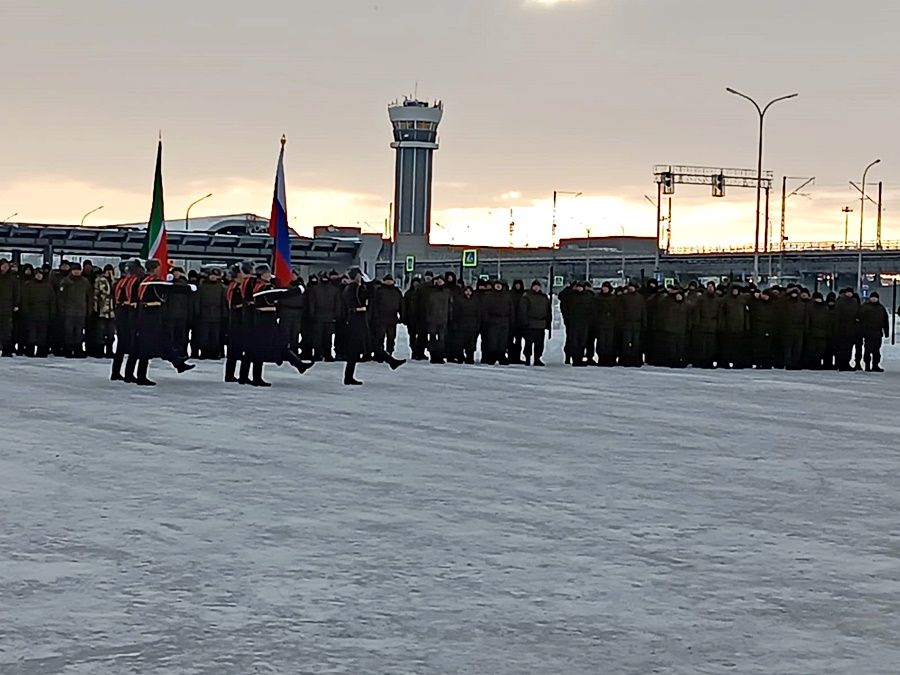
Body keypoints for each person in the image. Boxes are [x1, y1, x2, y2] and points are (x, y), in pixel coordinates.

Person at [243, 264, 314, 386]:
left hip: (264, 319)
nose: (269, 275)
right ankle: (256, 378)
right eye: (267, 273)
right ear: (262, 274)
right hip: (265, 320)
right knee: (262, 348)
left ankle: (298, 364)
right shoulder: (263, 287)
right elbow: (280, 294)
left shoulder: (257, 285)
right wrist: (298, 290)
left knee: (273, 345)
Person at [131, 259, 195, 386]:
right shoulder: (153, 282)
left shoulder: (143, 280)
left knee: (164, 341)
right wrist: (189, 287)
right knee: (147, 346)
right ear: (155, 268)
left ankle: (178, 363)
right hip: (151, 316)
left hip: (146, 314)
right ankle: (141, 376)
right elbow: (171, 289)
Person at [341, 267, 405, 385]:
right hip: (357, 319)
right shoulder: (354, 288)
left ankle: (391, 362)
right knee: (359, 348)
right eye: (360, 275)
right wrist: (369, 283)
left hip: (357, 318)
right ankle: (348, 377)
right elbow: (367, 296)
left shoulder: (351, 288)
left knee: (369, 344)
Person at [111, 260, 142, 382]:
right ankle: (129, 374)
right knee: (134, 345)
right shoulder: (135, 282)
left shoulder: (119, 282)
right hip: (131, 313)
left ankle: (116, 372)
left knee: (121, 345)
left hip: (120, 312)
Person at [56, 262, 93, 358]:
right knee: (68, 331)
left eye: (78, 270)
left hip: (81, 311)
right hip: (68, 312)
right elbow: (60, 298)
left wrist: (89, 310)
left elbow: (89, 297)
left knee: (79, 332)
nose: (76, 272)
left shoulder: (85, 282)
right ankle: (68, 350)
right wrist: (62, 311)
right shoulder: (65, 282)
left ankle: (78, 349)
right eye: (74, 270)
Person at [20, 267, 55, 357]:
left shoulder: (48, 286)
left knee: (42, 334)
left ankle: (41, 351)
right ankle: (30, 350)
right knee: (31, 333)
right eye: (37, 274)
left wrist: (52, 313)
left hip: (44, 312)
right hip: (32, 312)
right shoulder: (28, 285)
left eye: (40, 274)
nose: (39, 276)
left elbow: (52, 301)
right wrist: (26, 312)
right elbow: (25, 300)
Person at [195, 268, 227, 360]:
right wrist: (197, 313)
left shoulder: (222, 288)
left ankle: (214, 353)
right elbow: (198, 301)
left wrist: (224, 315)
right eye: (211, 275)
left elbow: (223, 302)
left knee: (215, 336)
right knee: (204, 336)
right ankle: (204, 352)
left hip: (217, 315)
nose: (213, 277)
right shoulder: (202, 287)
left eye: (215, 275)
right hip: (204, 315)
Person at [371, 274, 404, 362]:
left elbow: (401, 305)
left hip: (392, 319)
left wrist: (402, 316)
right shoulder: (379, 291)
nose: (389, 282)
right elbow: (375, 305)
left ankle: (389, 353)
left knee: (391, 337)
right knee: (380, 338)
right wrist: (375, 316)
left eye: (390, 280)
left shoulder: (397, 292)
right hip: (381, 319)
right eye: (387, 280)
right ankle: (379, 354)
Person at [519, 279, 551, 366]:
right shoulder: (527, 297)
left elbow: (548, 311)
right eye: (535, 286)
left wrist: (548, 322)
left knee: (539, 343)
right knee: (529, 343)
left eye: (538, 286)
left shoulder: (544, 297)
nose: (536, 288)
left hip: (541, 324)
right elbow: (523, 310)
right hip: (530, 323)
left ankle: (537, 358)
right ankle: (528, 358)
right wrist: (524, 322)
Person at [857, 291, 889, 372]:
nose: (874, 299)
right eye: (872, 297)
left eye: (875, 298)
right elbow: (859, 319)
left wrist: (886, 331)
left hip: (878, 332)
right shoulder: (864, 307)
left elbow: (885, 321)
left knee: (876, 350)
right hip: (867, 333)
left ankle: (875, 365)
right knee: (868, 350)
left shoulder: (881, 308)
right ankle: (867, 365)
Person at [93, 264, 117, 358]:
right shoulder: (99, 280)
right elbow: (96, 295)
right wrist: (95, 308)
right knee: (100, 332)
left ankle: (109, 350)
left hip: (112, 311)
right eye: (107, 270)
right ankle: (99, 350)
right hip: (102, 310)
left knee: (110, 332)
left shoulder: (114, 281)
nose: (109, 272)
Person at [0, 259, 20, 356]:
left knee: (6, 330)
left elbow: (16, 292)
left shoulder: (12, 279)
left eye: (6, 266)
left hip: (7, 307)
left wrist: (16, 304)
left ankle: (6, 350)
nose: (5, 268)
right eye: (3, 266)